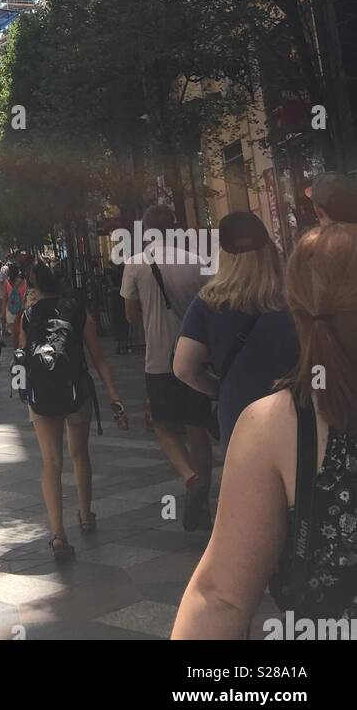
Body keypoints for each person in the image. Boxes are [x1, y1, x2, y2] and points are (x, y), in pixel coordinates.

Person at [172, 222, 357, 637]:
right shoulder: (278, 306)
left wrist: (217, 388)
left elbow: (221, 598)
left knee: (259, 527)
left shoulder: (210, 302)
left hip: (275, 424)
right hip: (309, 408)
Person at [18, 260, 127, 562]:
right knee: (80, 455)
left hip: (42, 395)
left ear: (34, 286)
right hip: (77, 390)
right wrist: (114, 396)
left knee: (51, 462)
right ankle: (86, 514)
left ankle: (57, 534)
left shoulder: (28, 315)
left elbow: (21, 355)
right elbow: (98, 358)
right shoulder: (79, 311)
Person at [121, 203, 214, 531]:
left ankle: (190, 479)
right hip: (195, 356)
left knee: (162, 424)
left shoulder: (135, 263)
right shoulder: (196, 262)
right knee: (197, 427)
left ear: (146, 231)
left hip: (159, 358)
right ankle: (203, 486)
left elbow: (131, 316)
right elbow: (212, 305)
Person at [173, 212, 299, 452]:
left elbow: (183, 368)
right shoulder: (295, 299)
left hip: (240, 416)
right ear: (270, 251)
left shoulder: (209, 303)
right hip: (296, 414)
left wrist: (220, 388)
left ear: (224, 256)